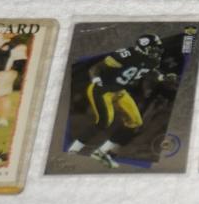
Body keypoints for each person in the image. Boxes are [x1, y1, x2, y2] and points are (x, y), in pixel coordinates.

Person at [66, 33, 176, 169]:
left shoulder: (151, 60)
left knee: (135, 122)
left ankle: (101, 152)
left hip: (120, 91)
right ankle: (73, 150)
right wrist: (96, 79)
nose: (156, 51)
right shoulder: (126, 54)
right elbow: (97, 67)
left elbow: (151, 71)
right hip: (103, 89)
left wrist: (162, 78)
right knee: (104, 122)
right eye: (153, 48)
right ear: (143, 46)